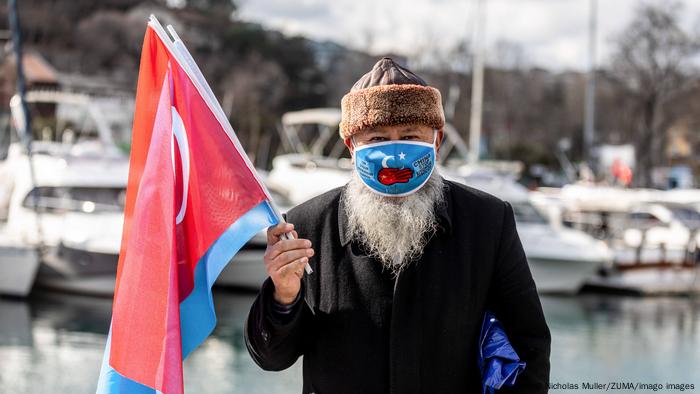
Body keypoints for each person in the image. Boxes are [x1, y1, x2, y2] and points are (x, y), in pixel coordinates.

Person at [245, 57, 551, 393]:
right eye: (376, 139)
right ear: (351, 146)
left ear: (436, 141)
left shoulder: (487, 222)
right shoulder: (307, 225)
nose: (394, 154)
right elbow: (271, 358)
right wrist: (283, 297)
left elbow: (528, 345)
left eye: (409, 135)